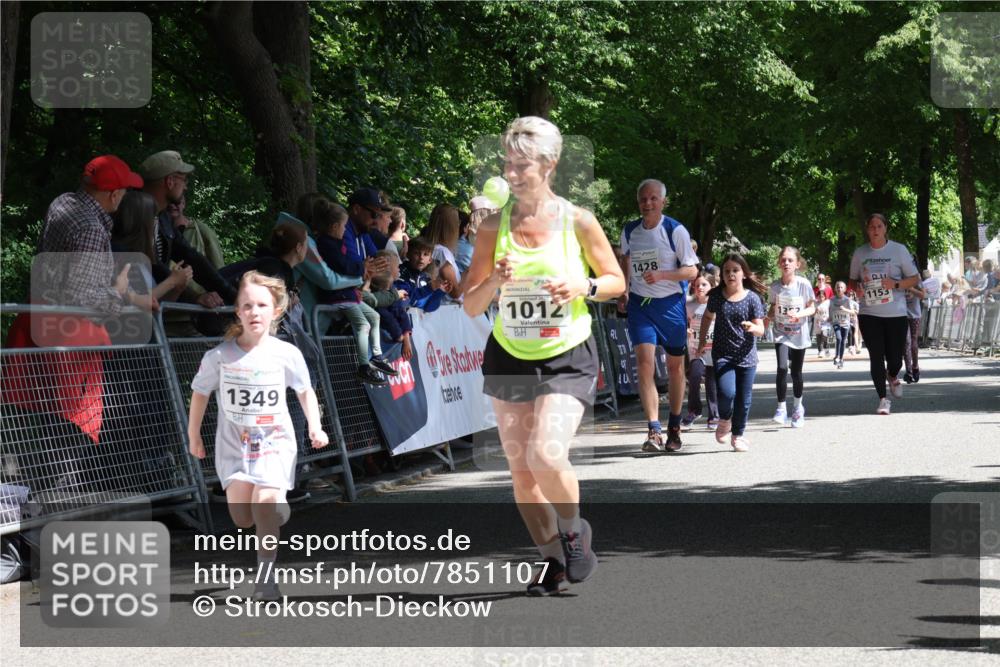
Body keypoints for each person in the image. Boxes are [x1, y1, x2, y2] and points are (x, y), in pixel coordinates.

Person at [462, 116, 625, 595]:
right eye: (507, 164)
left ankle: (575, 532)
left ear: (549, 165)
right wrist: (494, 280)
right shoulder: (494, 226)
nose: (511, 174)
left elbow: (616, 280)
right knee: (522, 471)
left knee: (546, 454)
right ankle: (553, 559)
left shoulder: (578, 220)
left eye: (521, 166)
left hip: (567, 352)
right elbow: (470, 302)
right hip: (510, 353)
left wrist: (585, 284)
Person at [188, 271, 328, 601]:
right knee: (242, 518)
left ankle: (266, 581)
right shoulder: (219, 357)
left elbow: (305, 391)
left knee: (264, 504)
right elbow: (199, 393)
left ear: (275, 311)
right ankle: (276, 511)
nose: (254, 312)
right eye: (247, 305)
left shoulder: (286, 354)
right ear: (237, 311)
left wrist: (315, 426)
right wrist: (193, 435)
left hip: (274, 442)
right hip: (234, 447)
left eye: (262, 305)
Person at [620, 179, 700, 452]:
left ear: (663, 201)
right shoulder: (630, 230)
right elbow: (626, 260)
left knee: (676, 367)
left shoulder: (674, 229)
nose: (647, 203)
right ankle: (653, 429)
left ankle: (674, 426)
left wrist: (663, 275)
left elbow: (692, 271)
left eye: (653, 198)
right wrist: (624, 289)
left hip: (670, 305)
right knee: (644, 362)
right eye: (643, 199)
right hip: (641, 306)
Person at [312, 199, 396, 385]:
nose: (345, 230)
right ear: (334, 226)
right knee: (363, 325)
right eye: (343, 226)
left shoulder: (336, 242)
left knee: (374, 317)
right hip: (339, 297)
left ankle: (377, 356)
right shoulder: (326, 244)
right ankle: (363, 366)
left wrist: (364, 268)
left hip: (349, 295)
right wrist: (362, 268)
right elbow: (342, 265)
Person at [139, 150, 236, 307]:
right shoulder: (134, 217)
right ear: (170, 181)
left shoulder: (162, 218)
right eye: (184, 180)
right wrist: (195, 297)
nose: (185, 187)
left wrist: (234, 296)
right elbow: (153, 268)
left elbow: (191, 257)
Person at [849, 213, 920, 415]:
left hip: (896, 313)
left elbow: (914, 278)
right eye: (872, 226)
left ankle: (892, 374)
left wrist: (895, 284)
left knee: (896, 358)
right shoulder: (860, 253)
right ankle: (882, 399)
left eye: (879, 226)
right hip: (869, 313)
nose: (876, 230)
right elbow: (853, 280)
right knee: (876, 356)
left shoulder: (899, 250)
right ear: (867, 229)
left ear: (885, 228)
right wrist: (858, 289)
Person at [697, 253, 767, 452]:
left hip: (747, 356)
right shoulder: (717, 297)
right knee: (727, 393)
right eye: (727, 271)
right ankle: (725, 420)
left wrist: (752, 328)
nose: (730, 274)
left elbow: (760, 328)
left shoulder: (753, 299)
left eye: (735, 270)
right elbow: (707, 318)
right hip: (723, 354)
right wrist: (702, 340)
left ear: (744, 273)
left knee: (744, 400)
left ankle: (738, 435)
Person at [112, 189, 192, 307]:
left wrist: (178, 287)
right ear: (142, 221)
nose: (157, 222)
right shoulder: (120, 256)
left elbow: (158, 306)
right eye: (154, 216)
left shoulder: (142, 258)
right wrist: (172, 281)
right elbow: (137, 302)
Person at [765, 247, 815, 428]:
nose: (786, 263)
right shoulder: (775, 286)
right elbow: (772, 308)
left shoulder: (804, 284)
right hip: (781, 333)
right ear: (779, 263)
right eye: (783, 260)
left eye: (790, 260)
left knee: (796, 372)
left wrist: (800, 314)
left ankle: (798, 407)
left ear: (797, 264)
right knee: (781, 368)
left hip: (799, 334)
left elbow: (812, 308)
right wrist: (763, 323)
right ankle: (781, 408)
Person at [681, 273, 719, 430]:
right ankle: (694, 410)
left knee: (712, 384)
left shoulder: (718, 304)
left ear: (712, 287)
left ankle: (714, 416)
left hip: (714, 350)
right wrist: (686, 330)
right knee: (695, 377)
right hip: (696, 350)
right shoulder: (689, 305)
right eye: (697, 286)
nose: (700, 288)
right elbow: (681, 321)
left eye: (704, 285)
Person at [423, 203, 465, 300]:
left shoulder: (429, 248)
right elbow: (455, 293)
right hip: (447, 310)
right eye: (457, 222)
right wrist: (467, 274)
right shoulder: (442, 252)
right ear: (451, 227)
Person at [902, 265, 926, 384]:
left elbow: (923, 295)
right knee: (906, 342)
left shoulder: (916, 278)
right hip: (901, 314)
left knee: (913, 341)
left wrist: (910, 288)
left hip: (915, 314)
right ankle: (908, 371)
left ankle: (915, 366)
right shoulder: (897, 277)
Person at [829, 281, 855, 369]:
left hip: (845, 323)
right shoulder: (832, 299)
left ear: (844, 289)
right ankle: (836, 356)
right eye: (838, 287)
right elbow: (830, 310)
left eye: (841, 287)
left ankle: (841, 359)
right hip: (836, 323)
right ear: (835, 289)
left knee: (843, 341)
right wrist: (829, 318)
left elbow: (852, 312)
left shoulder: (847, 300)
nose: (839, 289)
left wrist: (844, 309)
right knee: (838, 338)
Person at [815, 289, 831, 359]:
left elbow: (831, 309)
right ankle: (820, 351)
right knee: (818, 337)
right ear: (817, 297)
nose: (821, 298)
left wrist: (830, 317)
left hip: (825, 322)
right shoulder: (815, 303)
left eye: (822, 297)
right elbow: (812, 312)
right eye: (819, 296)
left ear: (825, 297)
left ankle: (826, 347)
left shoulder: (828, 302)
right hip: (817, 321)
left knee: (824, 335)